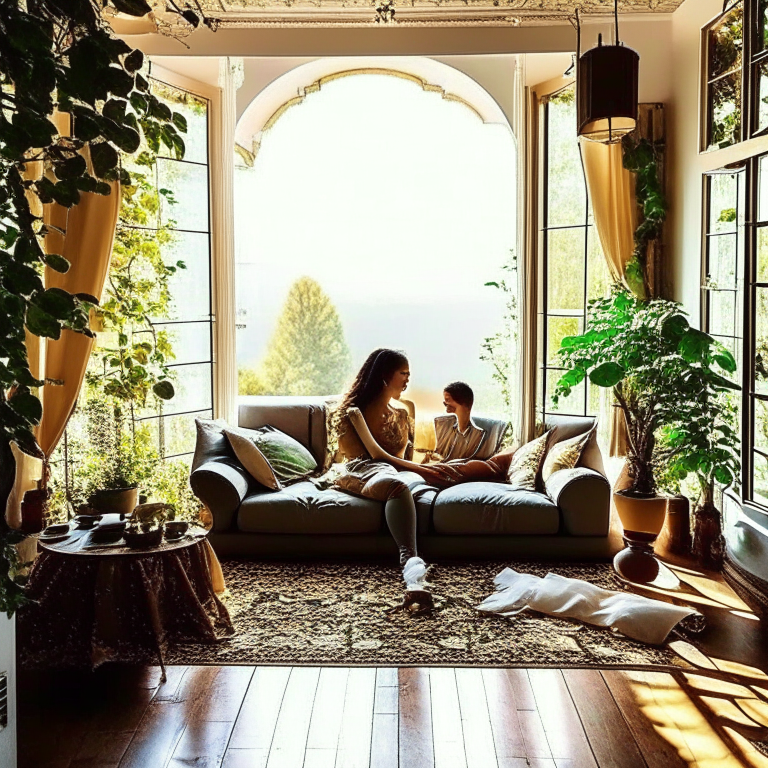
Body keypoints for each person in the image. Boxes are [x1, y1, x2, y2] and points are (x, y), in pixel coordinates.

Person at [333, 349, 513, 612]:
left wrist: (432, 468)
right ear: (385, 375)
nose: (407, 380)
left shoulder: (405, 411)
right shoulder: (355, 411)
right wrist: (423, 471)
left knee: (446, 470)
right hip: (364, 469)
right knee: (399, 485)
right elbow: (377, 454)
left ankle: (502, 463)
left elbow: (405, 456)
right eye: (403, 374)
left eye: (409, 374)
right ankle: (411, 566)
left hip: (396, 470)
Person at [434, 381, 486, 461]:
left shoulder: (479, 435)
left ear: (463, 403)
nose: (445, 404)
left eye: (448, 400)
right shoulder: (441, 425)